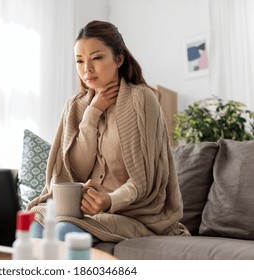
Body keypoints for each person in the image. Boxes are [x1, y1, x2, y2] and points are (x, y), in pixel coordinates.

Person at [27, 20, 190, 243]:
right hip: (85, 212)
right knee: (33, 225)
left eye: (96, 58)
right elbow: (74, 172)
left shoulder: (141, 99)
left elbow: (144, 181)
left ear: (118, 59)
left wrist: (109, 200)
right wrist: (92, 113)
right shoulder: (75, 106)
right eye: (79, 61)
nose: (87, 69)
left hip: (133, 214)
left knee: (63, 231)